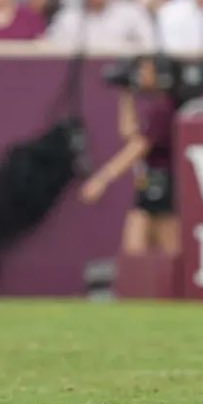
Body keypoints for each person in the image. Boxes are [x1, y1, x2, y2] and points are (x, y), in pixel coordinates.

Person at [80, 55, 181, 257]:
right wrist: (125, 95)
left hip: (165, 185)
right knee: (135, 251)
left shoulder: (165, 107)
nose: (140, 76)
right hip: (149, 184)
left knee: (171, 252)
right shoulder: (156, 108)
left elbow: (138, 147)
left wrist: (103, 178)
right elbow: (130, 133)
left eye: (145, 71)